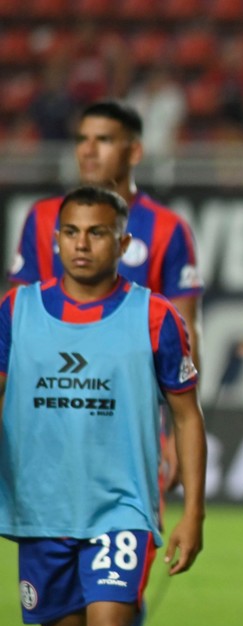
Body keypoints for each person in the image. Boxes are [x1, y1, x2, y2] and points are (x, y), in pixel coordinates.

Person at [0, 186, 206, 626]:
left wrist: (194, 513)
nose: (81, 243)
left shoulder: (155, 316)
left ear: (123, 244)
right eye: (71, 232)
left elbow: (188, 416)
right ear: (56, 239)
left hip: (121, 509)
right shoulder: (16, 311)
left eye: (96, 233)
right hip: (41, 510)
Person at [9, 99, 204, 491]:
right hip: (48, 419)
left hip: (129, 426)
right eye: (82, 139)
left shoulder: (167, 228)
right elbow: (17, 325)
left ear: (134, 151)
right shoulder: (43, 218)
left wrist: (174, 429)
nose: (88, 150)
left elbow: (185, 329)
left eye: (103, 140)